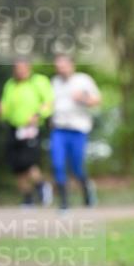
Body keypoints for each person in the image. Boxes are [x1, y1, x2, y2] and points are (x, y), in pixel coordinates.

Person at [0, 60, 54, 206]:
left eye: (22, 68)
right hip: (14, 128)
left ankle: (41, 186)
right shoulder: (10, 84)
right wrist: (1, 111)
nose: (19, 71)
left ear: (29, 67)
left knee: (29, 162)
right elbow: (5, 107)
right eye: (16, 68)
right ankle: (28, 198)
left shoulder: (39, 81)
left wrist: (38, 115)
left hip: (31, 128)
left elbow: (49, 102)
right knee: (16, 166)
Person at [50, 54, 101, 209]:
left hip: (78, 129)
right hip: (58, 129)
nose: (61, 69)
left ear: (72, 65)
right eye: (58, 67)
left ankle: (87, 190)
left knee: (76, 166)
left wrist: (83, 99)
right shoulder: (54, 82)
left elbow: (97, 100)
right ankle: (64, 202)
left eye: (64, 66)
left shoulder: (83, 80)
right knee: (57, 164)